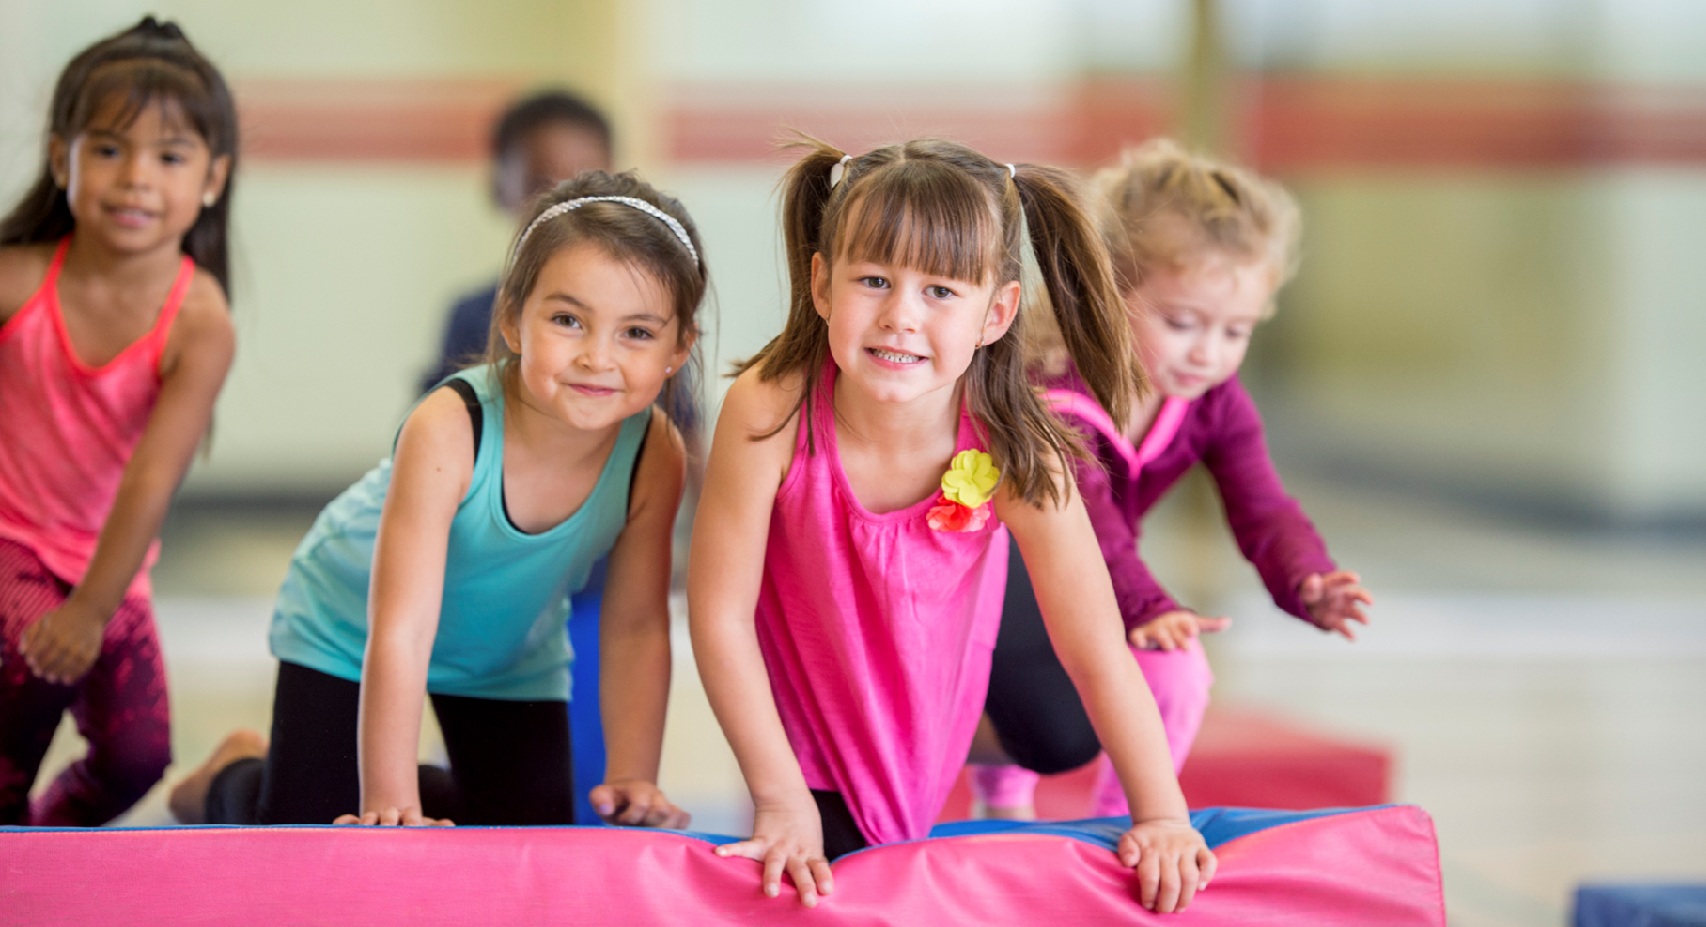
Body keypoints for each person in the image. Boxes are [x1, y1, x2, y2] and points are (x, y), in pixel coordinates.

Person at [689, 137, 1215, 913]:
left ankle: (979, 735)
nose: (901, 316)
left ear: (995, 313)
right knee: (835, 874)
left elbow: (1096, 647)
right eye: (874, 280)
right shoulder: (770, 408)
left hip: (941, 643)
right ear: (822, 284)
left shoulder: (1015, 444)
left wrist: (1164, 815)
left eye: (940, 290)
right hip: (824, 684)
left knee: (1063, 732)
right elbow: (720, 615)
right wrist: (778, 795)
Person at [166, 170, 701, 829]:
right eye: (568, 320)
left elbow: (636, 624)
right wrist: (390, 801)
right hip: (351, 627)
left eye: (637, 333)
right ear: (513, 318)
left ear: (679, 348)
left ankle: (329, 775)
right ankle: (235, 775)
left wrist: (635, 774)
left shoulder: (654, 454)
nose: (598, 356)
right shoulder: (449, 428)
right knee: (312, 834)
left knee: (523, 844)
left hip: (507, 657)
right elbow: (402, 627)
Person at [971, 138, 1375, 821]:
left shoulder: (1211, 400)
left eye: (1235, 331)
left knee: (1181, 672)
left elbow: (1263, 506)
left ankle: (1124, 823)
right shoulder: (1049, 388)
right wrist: (1148, 607)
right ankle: (1004, 795)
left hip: (1098, 591)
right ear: (1105, 290)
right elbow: (1091, 525)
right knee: (1043, 710)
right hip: (1005, 592)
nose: (1208, 352)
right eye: (1182, 322)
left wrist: (1307, 576)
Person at [0, 17, 238, 827]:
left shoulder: (199, 320)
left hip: (107, 566)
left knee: (137, 754)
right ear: (60, 156)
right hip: (10, 541)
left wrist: (94, 609)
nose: (136, 178)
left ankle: (34, 839)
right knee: (26, 681)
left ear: (212, 178)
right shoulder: (18, 280)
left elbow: (150, 478)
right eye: (108, 149)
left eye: (169, 157)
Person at [421, 89, 614, 393]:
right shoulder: (473, 318)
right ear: (499, 188)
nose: (563, 208)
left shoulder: (645, 313)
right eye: (540, 185)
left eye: (586, 189)